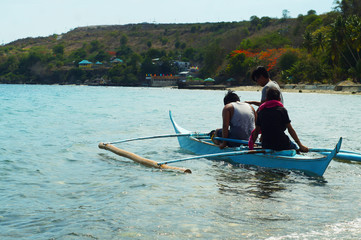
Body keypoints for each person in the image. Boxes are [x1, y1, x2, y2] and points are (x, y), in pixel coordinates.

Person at [251, 86, 308, 152]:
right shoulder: (282, 110)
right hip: (282, 144)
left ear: (266, 99)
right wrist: (300, 145)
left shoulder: (261, 111)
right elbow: (290, 129)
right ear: (279, 99)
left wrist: (251, 147)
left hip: (266, 145)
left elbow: (256, 131)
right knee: (295, 147)